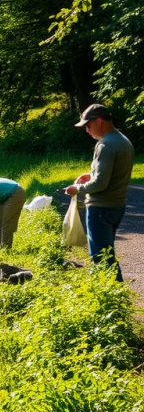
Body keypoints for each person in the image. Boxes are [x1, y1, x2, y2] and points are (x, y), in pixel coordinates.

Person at [65, 104, 134, 281]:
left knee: (101, 258)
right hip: (116, 207)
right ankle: (114, 295)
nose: (87, 130)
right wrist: (91, 174)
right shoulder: (123, 140)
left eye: (88, 125)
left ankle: (113, 299)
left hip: (101, 209)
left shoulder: (105, 145)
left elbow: (100, 184)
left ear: (99, 121)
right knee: (106, 254)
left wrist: (76, 189)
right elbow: (113, 173)